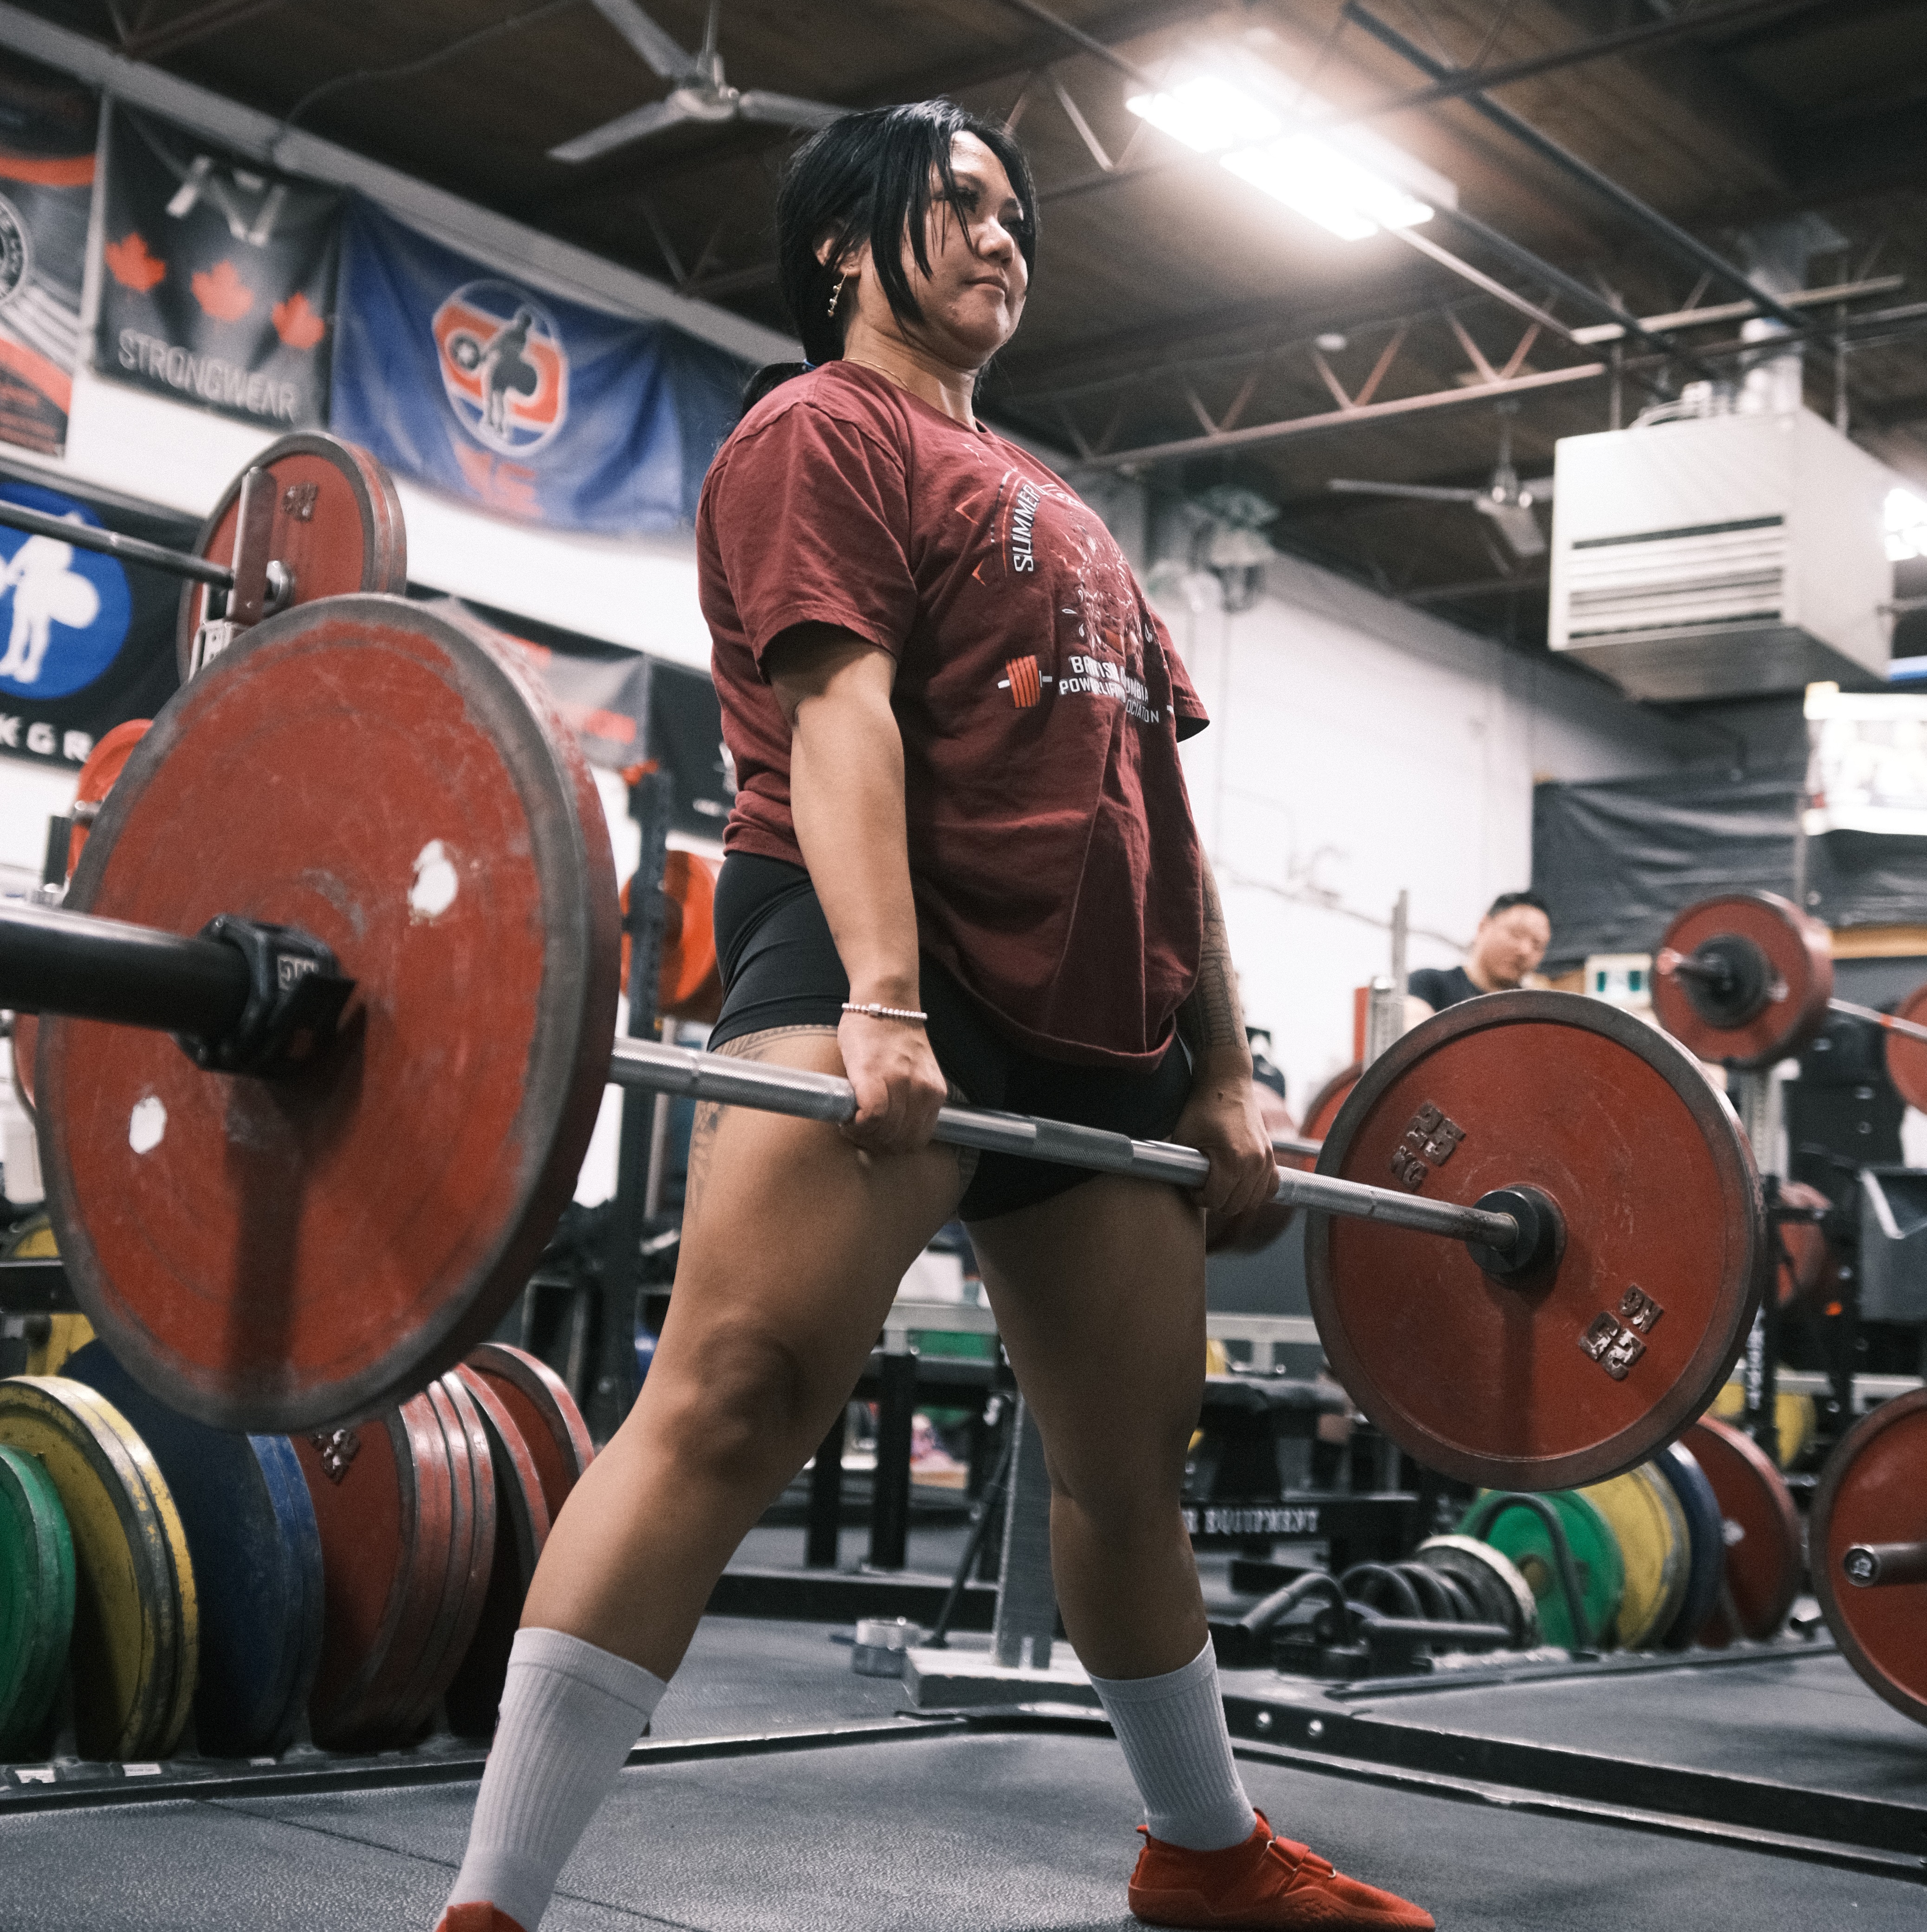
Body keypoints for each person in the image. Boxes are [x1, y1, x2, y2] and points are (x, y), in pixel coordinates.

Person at [435, 101, 1431, 1932]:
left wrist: (1219, 1067)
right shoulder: (816, 426)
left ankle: (1200, 1851)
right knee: (733, 1395)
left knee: (1129, 1460)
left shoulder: (1073, 515)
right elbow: (838, 717)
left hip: (1100, 1015)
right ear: (840, 245)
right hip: (870, 947)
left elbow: (1159, 806)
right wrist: (883, 1002)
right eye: (955, 204)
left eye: (1015, 214)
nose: (1001, 238)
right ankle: (489, 1904)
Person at [1407, 890, 1551, 1018]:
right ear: (1484, 925)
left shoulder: (1533, 1012)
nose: (1525, 951)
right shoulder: (1428, 984)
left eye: (1537, 945)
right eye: (1516, 934)